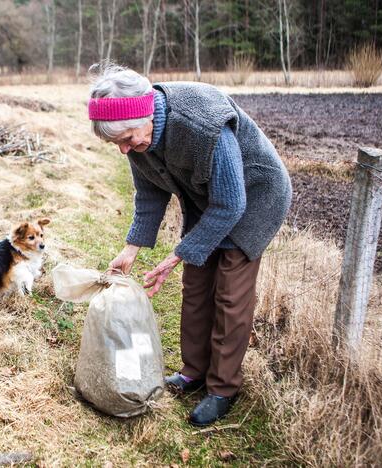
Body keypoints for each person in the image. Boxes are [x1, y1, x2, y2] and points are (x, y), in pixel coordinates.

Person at [88, 63, 291, 426]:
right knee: (196, 286)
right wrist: (131, 247)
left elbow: (232, 204)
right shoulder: (140, 140)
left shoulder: (201, 123)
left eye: (126, 138)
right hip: (207, 199)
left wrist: (177, 253)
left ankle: (223, 388)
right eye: (115, 143)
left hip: (254, 198)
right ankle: (193, 372)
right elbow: (150, 195)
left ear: (144, 111)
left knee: (229, 293)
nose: (123, 149)